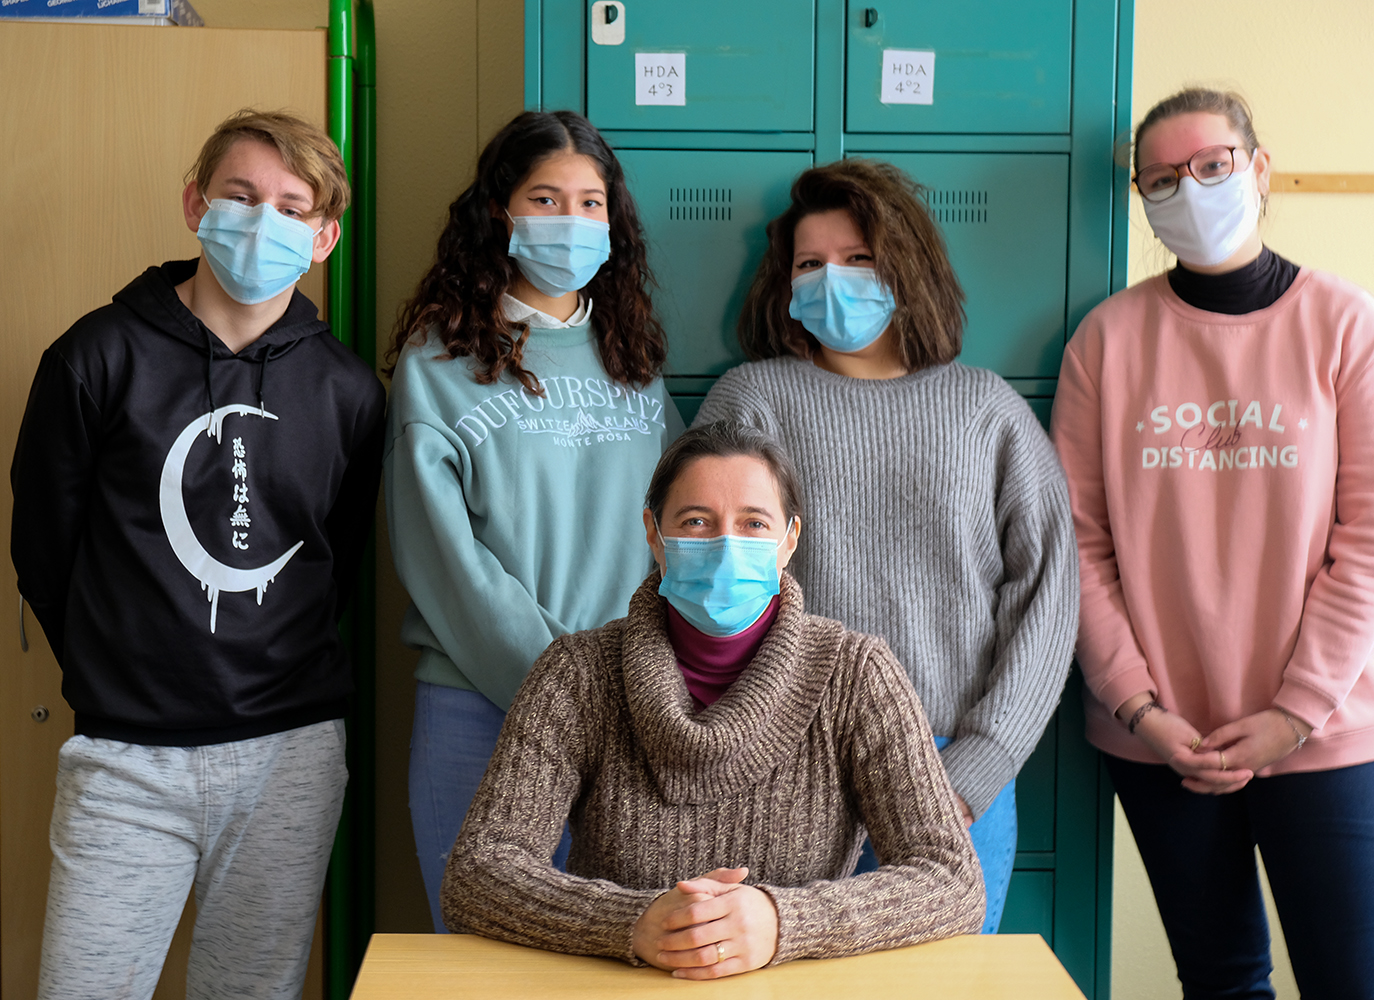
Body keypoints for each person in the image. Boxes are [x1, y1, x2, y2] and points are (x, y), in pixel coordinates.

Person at [1050, 88, 1374, 1000]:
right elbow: (1078, 547)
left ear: (1258, 169)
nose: (1192, 189)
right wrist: (1140, 710)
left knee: (1360, 986)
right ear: (1140, 198)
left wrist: (1297, 711)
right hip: (1165, 739)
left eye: (1213, 165)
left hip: (1329, 732)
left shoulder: (1349, 327)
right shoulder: (1107, 341)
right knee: (1218, 983)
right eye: (1163, 179)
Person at [10, 109, 384, 1000]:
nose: (265, 222)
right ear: (195, 203)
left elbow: (340, 560)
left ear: (326, 236)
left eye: (295, 208)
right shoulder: (95, 356)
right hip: (125, 761)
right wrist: (122, 668)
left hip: (287, 757)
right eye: (242, 196)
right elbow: (44, 550)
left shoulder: (349, 391)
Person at [441, 421, 985, 978]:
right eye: (696, 522)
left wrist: (783, 921)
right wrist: (632, 921)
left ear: (789, 540)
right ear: (654, 534)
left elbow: (952, 878)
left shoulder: (856, 677)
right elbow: (478, 873)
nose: (727, 546)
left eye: (753, 524)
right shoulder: (576, 675)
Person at [694, 159, 1078, 933]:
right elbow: (712, 583)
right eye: (810, 264)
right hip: (794, 770)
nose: (831, 279)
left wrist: (976, 770)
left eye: (857, 258)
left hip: (956, 774)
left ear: (906, 265)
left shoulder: (985, 409)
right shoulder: (753, 399)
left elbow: (1048, 596)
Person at [384, 109, 682, 931]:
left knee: (622, 956)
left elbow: (681, 525)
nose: (571, 222)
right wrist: (564, 685)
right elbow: (441, 554)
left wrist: (636, 683)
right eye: (545, 199)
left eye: (591, 203)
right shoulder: (440, 361)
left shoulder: (635, 358)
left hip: (634, 704)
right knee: (484, 957)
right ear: (498, 213)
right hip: (479, 704)